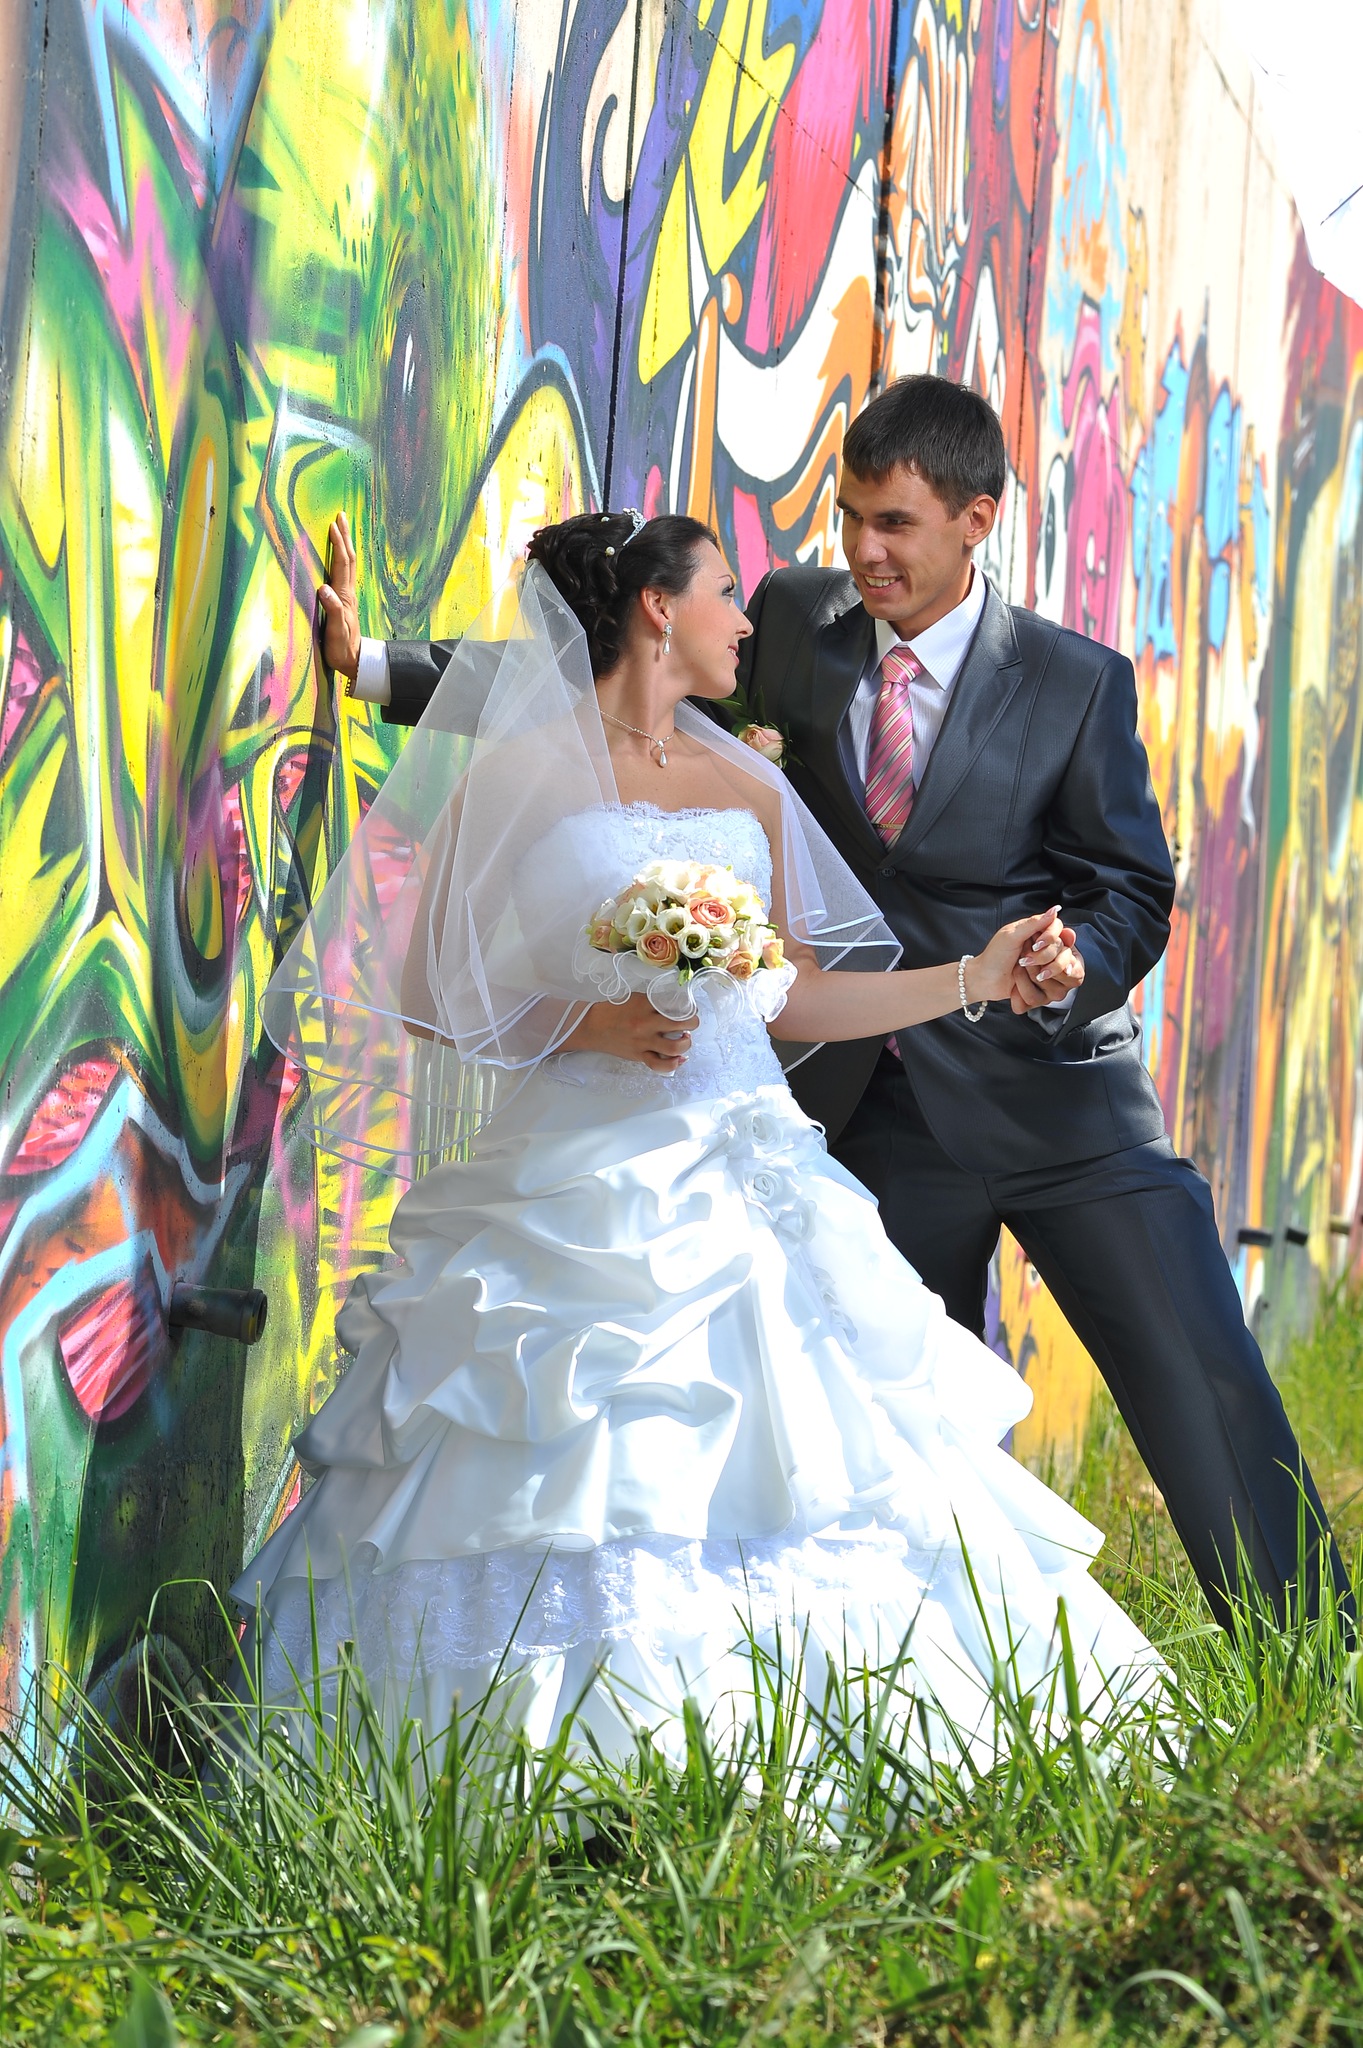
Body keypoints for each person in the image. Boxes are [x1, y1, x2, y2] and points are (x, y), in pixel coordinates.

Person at [319, 379, 1348, 1635]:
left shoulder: (1074, 682)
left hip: (1054, 1095)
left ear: (975, 519)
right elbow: (596, 676)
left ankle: (1309, 1647)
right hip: (871, 1110)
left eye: (895, 523)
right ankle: (914, 1662)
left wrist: (1075, 961)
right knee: (874, 1442)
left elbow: (1129, 881)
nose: (864, 549)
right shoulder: (795, 625)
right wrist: (377, 665)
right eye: (852, 515)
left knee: (1199, 1363)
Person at [235, 512, 1160, 1765]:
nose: (746, 618)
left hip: (749, 1163)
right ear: (656, 608)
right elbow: (425, 988)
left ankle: (807, 1743)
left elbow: (796, 994)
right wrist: (589, 1021)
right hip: (576, 1178)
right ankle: (528, 1750)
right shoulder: (520, 773)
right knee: (563, 1459)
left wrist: (973, 978)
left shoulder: (749, 783)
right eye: (726, 591)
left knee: (824, 1444)